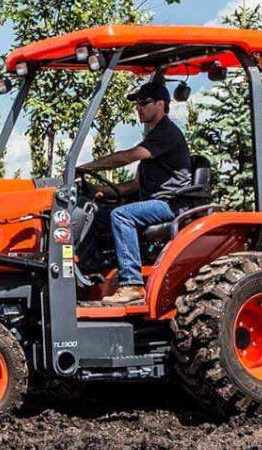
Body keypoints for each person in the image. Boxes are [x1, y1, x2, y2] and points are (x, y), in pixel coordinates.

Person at [76, 81, 192, 305]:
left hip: (171, 203)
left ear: (160, 104)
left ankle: (132, 284)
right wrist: (100, 191)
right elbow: (134, 185)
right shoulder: (153, 138)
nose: (139, 108)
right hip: (153, 201)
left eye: (144, 103)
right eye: (137, 104)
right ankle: (86, 271)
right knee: (98, 214)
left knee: (121, 215)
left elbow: (127, 157)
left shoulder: (166, 133)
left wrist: (87, 167)